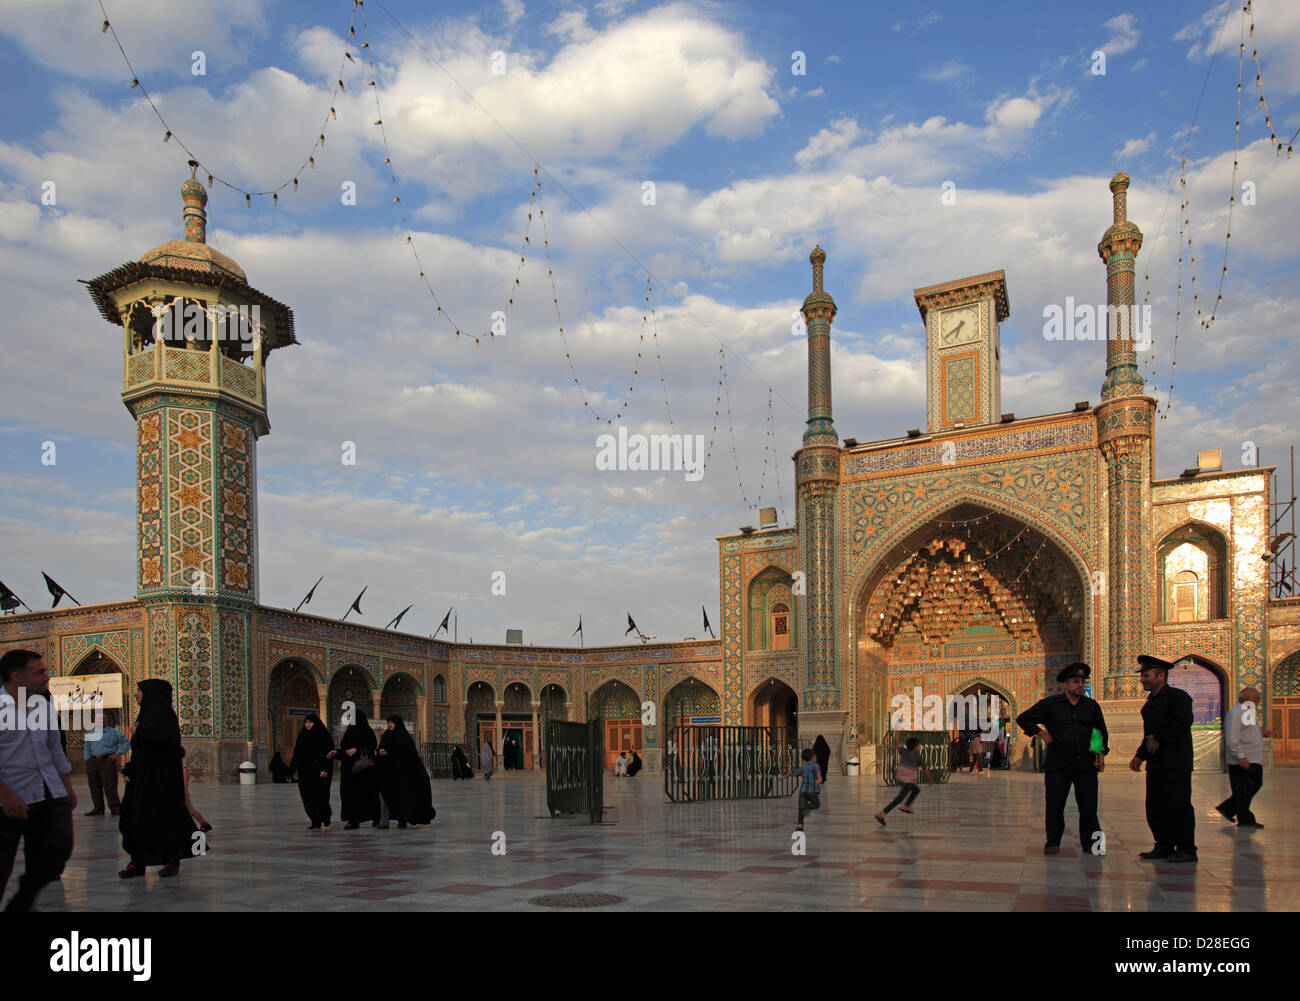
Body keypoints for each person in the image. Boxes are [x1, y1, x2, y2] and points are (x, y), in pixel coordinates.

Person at [0, 649, 76, 911]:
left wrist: (66, 788)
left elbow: (55, 750)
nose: (47, 676)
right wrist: (5, 795)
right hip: (9, 798)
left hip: (48, 793)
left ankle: (22, 901)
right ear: (17, 677)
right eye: (40, 671)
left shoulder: (42, 705)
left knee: (59, 849)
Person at [1016, 663, 1109, 855]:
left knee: (1089, 807)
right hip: (1059, 763)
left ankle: (1093, 845)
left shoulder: (1091, 706)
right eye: (1076, 682)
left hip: (1085, 763)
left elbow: (1098, 732)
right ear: (1065, 685)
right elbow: (1024, 718)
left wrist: (1100, 754)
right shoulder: (1050, 705)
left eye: (1082, 682)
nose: (1080, 685)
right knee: (1055, 804)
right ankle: (1053, 842)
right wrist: (1041, 733)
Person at [118, 679, 200, 878]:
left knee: (163, 819)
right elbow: (140, 751)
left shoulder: (164, 716)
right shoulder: (145, 714)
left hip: (160, 779)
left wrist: (139, 734)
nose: (136, 694)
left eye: (139, 690)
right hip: (142, 777)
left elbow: (163, 746)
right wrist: (131, 770)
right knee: (135, 818)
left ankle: (172, 858)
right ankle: (137, 863)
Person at [1129, 655, 1197, 863]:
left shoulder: (1178, 697)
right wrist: (1140, 756)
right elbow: (1149, 734)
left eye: (1146, 675)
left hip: (1176, 761)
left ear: (1160, 675)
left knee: (1178, 805)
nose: (1142, 680)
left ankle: (1186, 848)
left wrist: (1160, 738)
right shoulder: (1150, 704)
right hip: (1157, 763)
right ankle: (1164, 844)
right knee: (1156, 806)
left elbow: (1183, 722)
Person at [1217, 687, 1270, 829]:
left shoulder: (1246, 712)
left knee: (1248, 787)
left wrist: (1261, 733)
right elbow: (1232, 737)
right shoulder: (1237, 713)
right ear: (1247, 698)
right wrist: (1241, 756)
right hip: (1243, 759)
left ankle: (1232, 810)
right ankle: (1239, 815)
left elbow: (1246, 732)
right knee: (1246, 787)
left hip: (1251, 756)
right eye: (1256, 698)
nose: (1259, 701)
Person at [377, 715, 436, 828]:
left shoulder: (404, 737)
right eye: (389, 722)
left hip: (403, 773)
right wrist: (380, 751)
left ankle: (402, 819)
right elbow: (381, 748)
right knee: (386, 795)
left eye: (392, 722)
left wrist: (389, 751)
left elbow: (408, 754)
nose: (390, 724)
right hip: (389, 772)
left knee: (402, 796)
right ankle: (384, 821)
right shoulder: (386, 736)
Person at [332, 709, 381, 829]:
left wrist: (357, 749)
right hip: (349, 770)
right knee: (350, 795)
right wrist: (337, 753)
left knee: (366, 794)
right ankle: (353, 819)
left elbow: (371, 747)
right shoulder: (349, 732)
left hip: (363, 771)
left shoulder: (367, 732)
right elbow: (344, 748)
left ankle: (375, 817)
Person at [287, 714, 334, 829]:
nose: (308, 725)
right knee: (307, 797)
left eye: (310, 722)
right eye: (306, 722)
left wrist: (325, 769)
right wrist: (290, 772)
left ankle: (325, 817)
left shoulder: (323, 736)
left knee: (321, 797)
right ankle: (315, 820)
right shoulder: (302, 736)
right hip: (305, 772)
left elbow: (329, 755)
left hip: (320, 773)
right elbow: (296, 755)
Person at [875, 736, 931, 825]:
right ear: (916, 746)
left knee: (916, 790)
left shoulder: (904, 751)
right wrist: (929, 780)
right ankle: (883, 813)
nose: (920, 747)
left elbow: (896, 743)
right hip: (908, 782)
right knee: (899, 799)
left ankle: (904, 806)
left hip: (901, 779)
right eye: (919, 745)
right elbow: (925, 770)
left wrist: (897, 731)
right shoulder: (918, 756)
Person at [82, 720, 130, 817]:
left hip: (107, 760)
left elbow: (126, 742)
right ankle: (98, 808)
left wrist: (118, 753)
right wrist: (87, 760)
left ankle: (115, 808)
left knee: (110, 785)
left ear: (106, 721)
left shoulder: (113, 732)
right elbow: (86, 747)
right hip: (93, 760)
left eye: (103, 719)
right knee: (94, 786)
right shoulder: (91, 734)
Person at [781, 748, 822, 832]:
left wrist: (783, 777)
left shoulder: (803, 767)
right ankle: (807, 807)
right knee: (816, 805)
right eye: (815, 756)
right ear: (813, 757)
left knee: (801, 808)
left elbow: (793, 772)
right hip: (813, 791)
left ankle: (800, 825)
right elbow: (819, 776)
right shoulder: (816, 766)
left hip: (803, 791)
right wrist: (819, 780)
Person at [179, 748, 211, 832]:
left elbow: (185, 782)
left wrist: (184, 793)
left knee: (190, 810)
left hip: (183, 793)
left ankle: (204, 824)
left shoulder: (184, 769)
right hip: (179, 793)